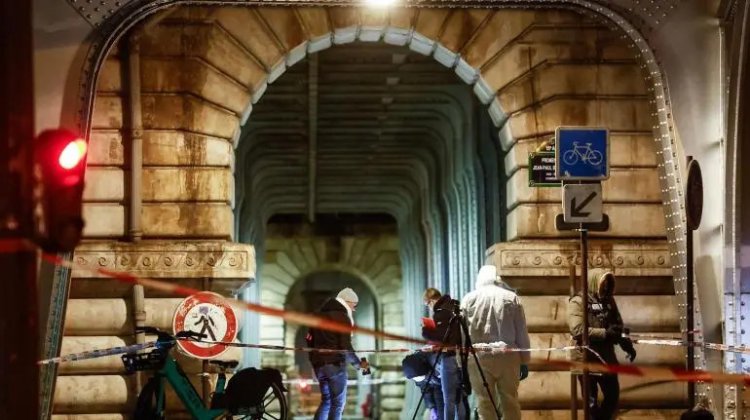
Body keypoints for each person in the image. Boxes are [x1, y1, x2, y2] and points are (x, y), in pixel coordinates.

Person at [461, 264, 531, 420]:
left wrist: (461, 362)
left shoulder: (468, 299)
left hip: (478, 357)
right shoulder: (511, 298)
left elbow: (462, 335)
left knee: (485, 402)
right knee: (510, 400)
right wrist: (525, 360)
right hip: (507, 355)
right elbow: (521, 331)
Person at [567, 268, 637, 420]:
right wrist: (605, 333)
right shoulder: (578, 302)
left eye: (607, 283)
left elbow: (618, 327)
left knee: (613, 395)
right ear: (594, 283)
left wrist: (627, 345)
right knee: (591, 403)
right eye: (602, 283)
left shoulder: (609, 301)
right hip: (586, 358)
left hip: (606, 358)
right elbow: (577, 330)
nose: (605, 286)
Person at [307, 288, 369, 420]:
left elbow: (309, 342)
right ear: (347, 302)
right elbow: (345, 346)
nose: (354, 309)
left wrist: (314, 363)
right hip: (335, 366)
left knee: (326, 401)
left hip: (319, 366)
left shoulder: (316, 316)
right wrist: (359, 364)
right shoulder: (342, 317)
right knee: (337, 404)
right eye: (354, 305)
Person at [422, 287, 467, 420]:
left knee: (449, 398)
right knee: (459, 398)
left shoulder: (441, 313)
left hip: (448, 359)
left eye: (427, 304)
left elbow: (443, 337)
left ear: (432, 300)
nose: (429, 308)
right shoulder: (454, 307)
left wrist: (426, 331)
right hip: (461, 357)